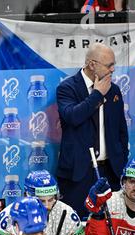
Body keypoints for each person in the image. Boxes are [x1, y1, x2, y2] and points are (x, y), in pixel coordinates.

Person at [56, 42, 128, 220]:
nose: (113, 70)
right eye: (109, 65)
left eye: (114, 65)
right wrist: (97, 94)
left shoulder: (114, 90)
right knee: (78, 226)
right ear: (92, 64)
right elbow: (73, 117)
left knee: (111, 226)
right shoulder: (67, 88)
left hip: (109, 171)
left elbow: (121, 130)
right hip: (79, 174)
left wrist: (121, 159)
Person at [0, 170, 84, 235]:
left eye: (51, 199)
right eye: (41, 201)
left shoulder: (68, 214)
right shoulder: (8, 217)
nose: (47, 206)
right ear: (27, 196)